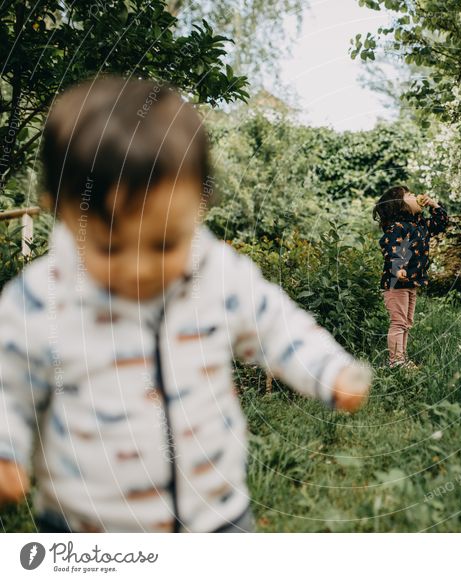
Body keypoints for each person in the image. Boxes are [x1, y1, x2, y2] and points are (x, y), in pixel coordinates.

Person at [0, 76, 371, 532]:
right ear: (59, 209)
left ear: (199, 206)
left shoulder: (215, 274)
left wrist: (328, 370)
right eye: (110, 248)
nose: (139, 270)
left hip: (216, 515)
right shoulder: (38, 300)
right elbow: (8, 384)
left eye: (163, 244)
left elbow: (276, 324)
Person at [372, 185, 448, 368]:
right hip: (396, 282)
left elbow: (441, 223)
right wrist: (397, 267)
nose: (415, 196)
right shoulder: (397, 227)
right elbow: (388, 246)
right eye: (410, 195)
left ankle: (402, 360)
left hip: (411, 282)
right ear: (400, 204)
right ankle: (396, 361)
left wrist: (434, 205)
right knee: (398, 322)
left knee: (406, 323)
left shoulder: (420, 225)